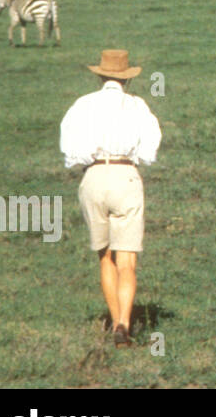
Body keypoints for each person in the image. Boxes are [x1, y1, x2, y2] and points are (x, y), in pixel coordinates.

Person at [60, 49, 162, 347]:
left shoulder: (82, 105)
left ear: (100, 75)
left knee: (104, 256)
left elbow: (69, 145)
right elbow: (151, 145)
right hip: (125, 174)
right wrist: (138, 158)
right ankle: (124, 325)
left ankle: (115, 318)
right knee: (127, 260)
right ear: (126, 79)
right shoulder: (137, 106)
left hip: (93, 176)